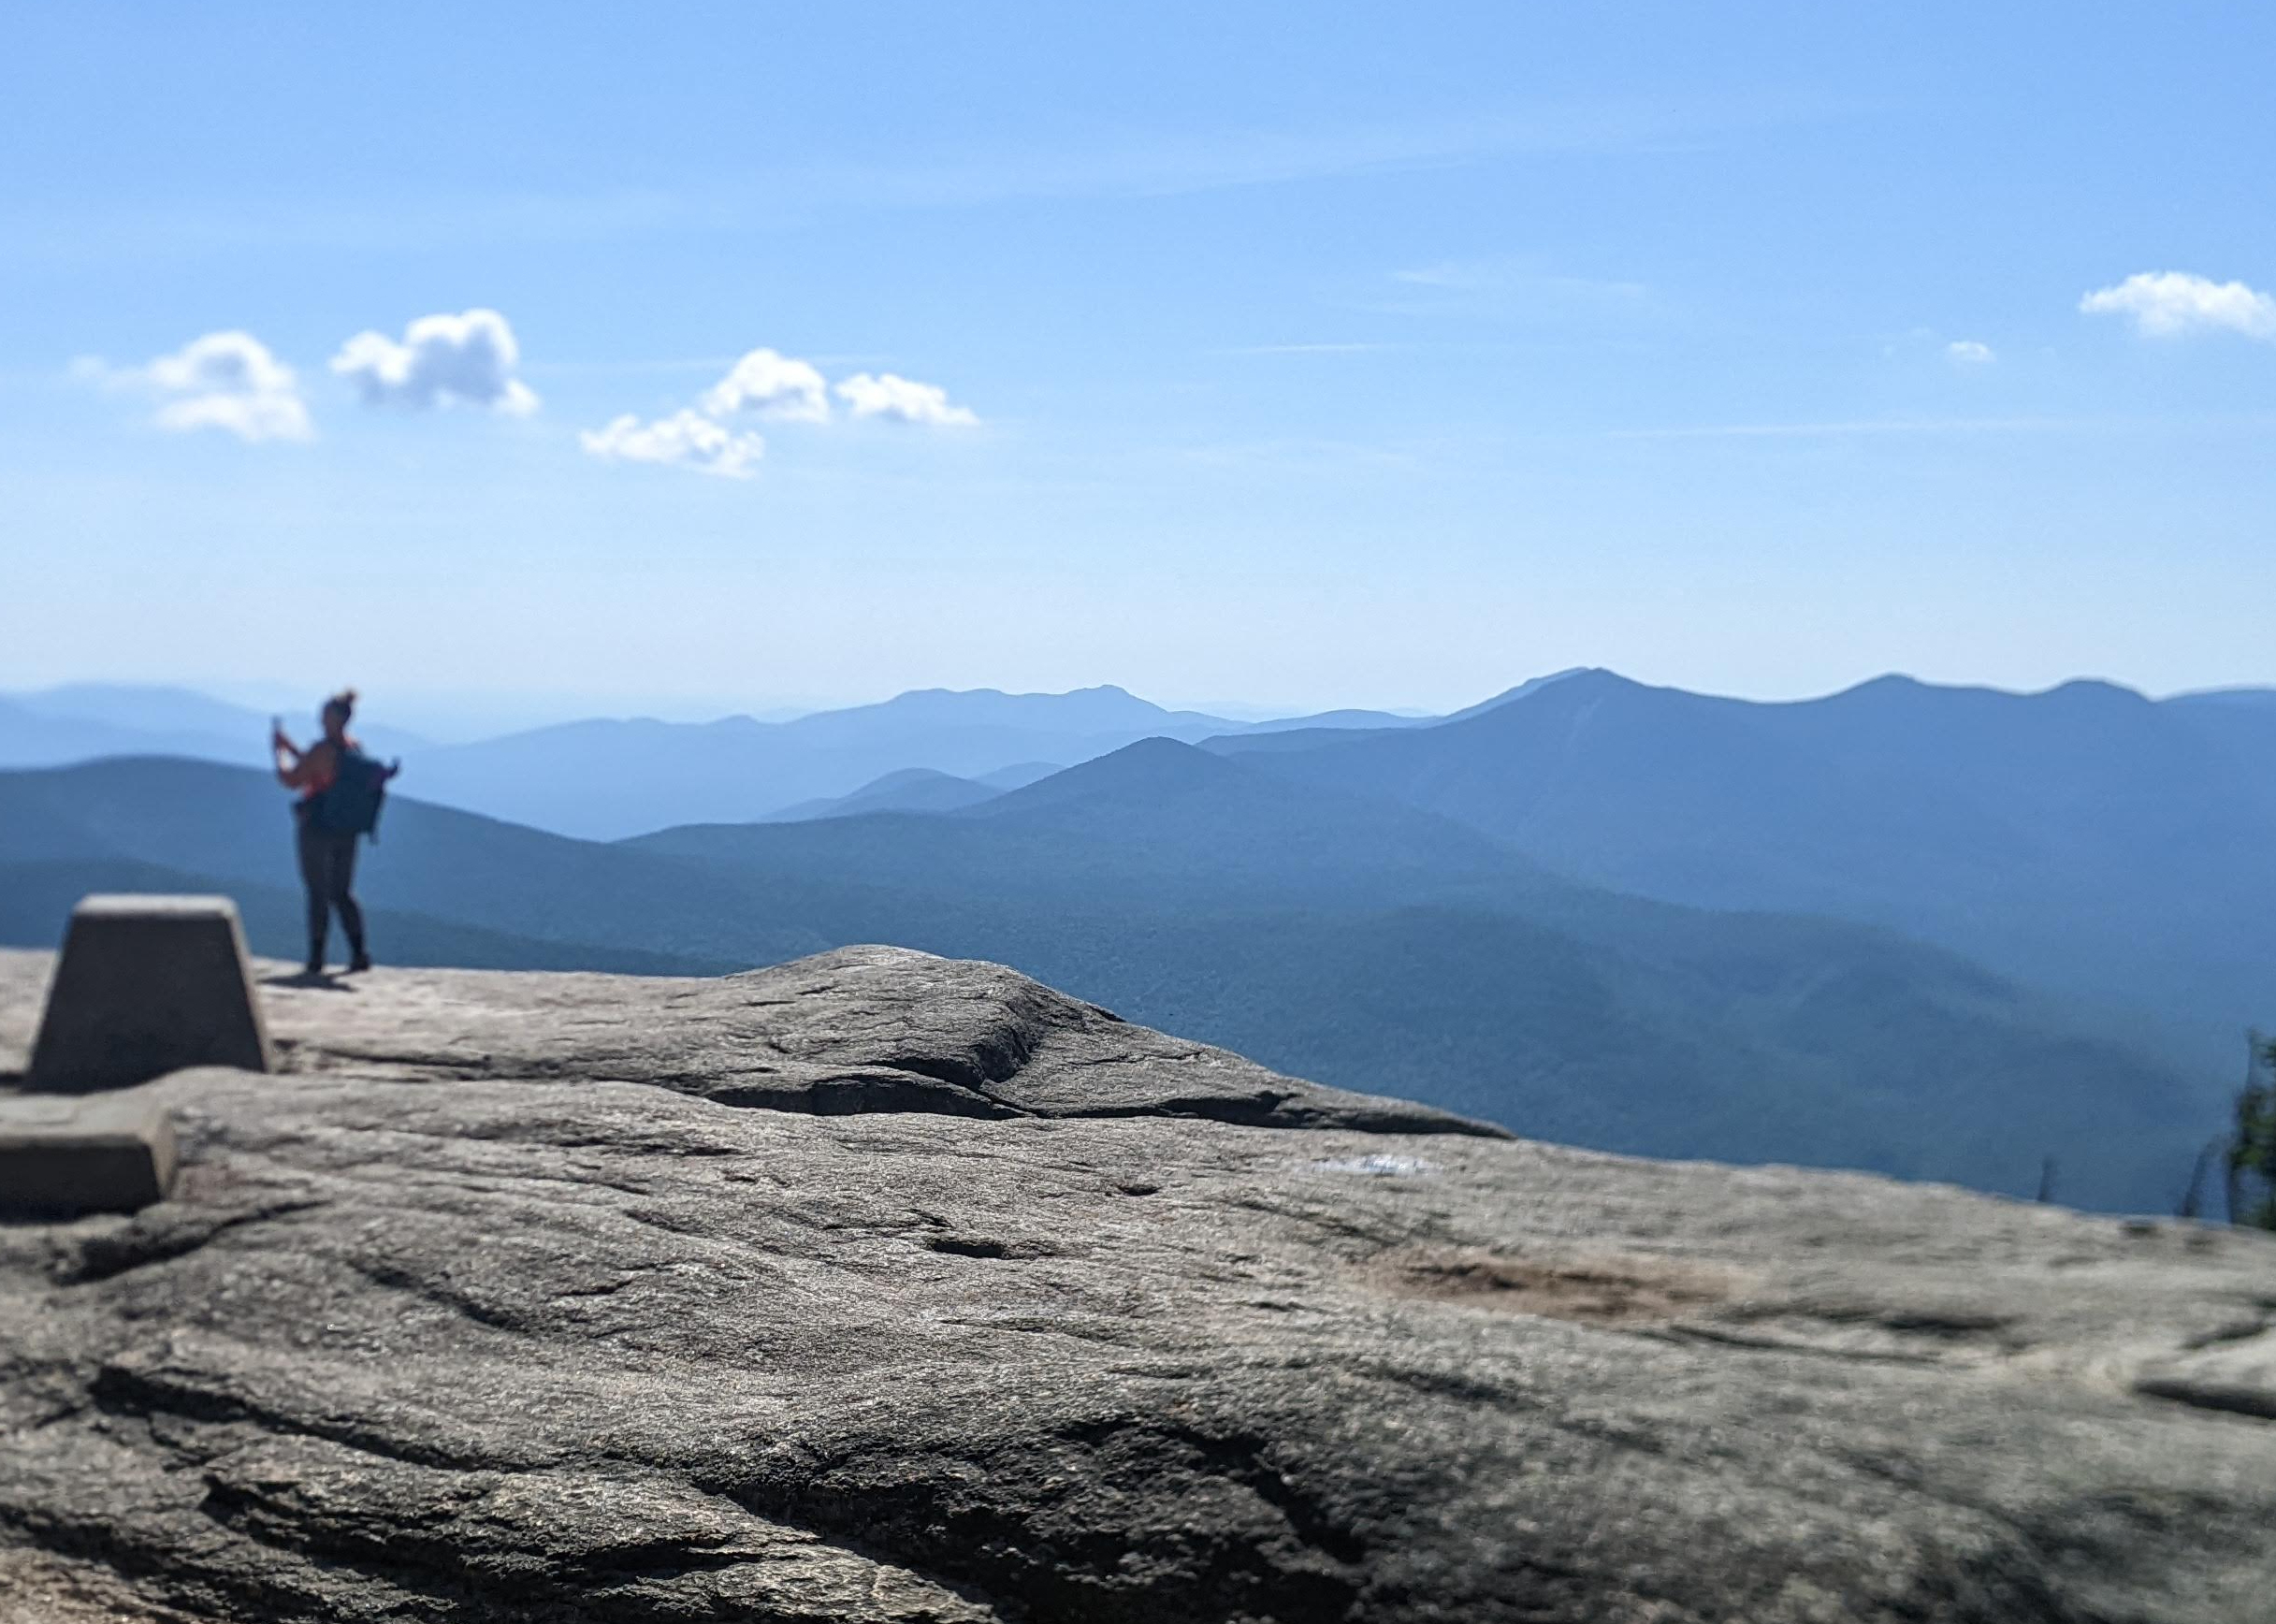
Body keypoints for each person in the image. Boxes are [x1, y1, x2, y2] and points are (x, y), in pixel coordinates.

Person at [273, 689, 398, 977]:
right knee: (342, 892)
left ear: (333, 719)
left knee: (317, 892)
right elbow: (320, 769)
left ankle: (316, 959)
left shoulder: (321, 750)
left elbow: (291, 779)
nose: (320, 719)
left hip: (316, 829)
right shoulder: (353, 748)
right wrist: (291, 746)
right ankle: (359, 953)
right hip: (347, 831)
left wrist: (278, 753)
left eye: (324, 715)